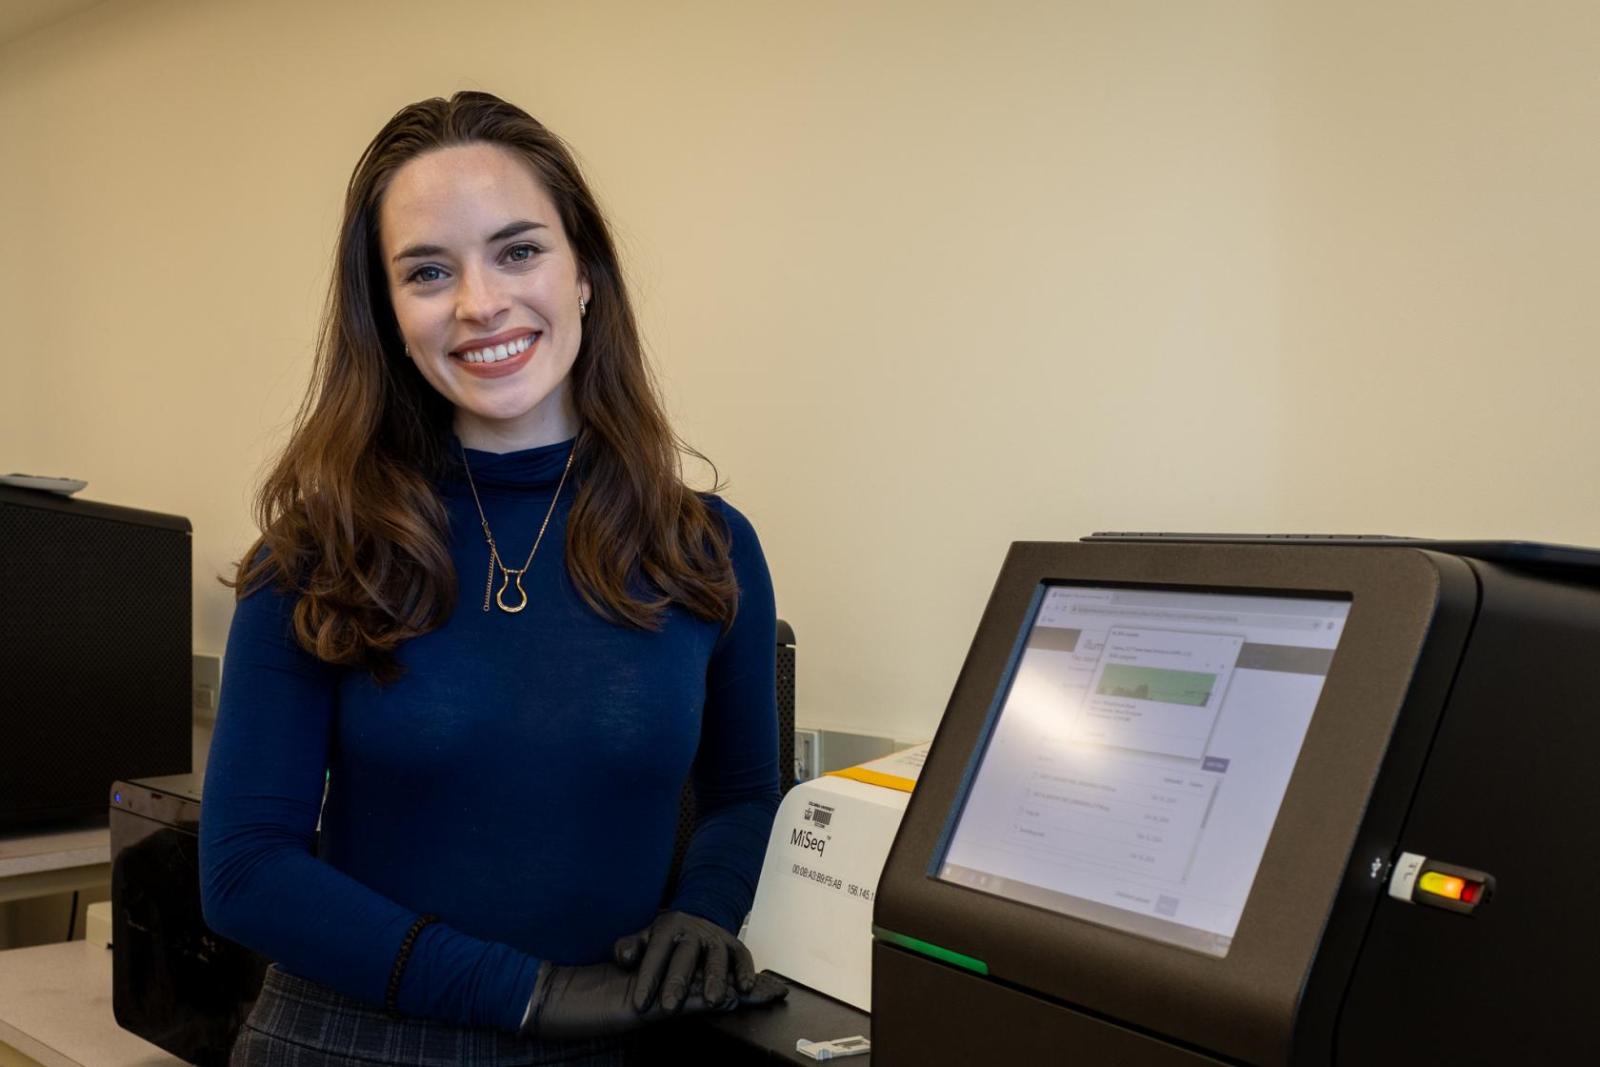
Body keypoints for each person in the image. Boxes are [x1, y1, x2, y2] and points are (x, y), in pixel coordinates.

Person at [199, 91, 787, 1067]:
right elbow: (246, 870)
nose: (479, 302)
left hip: (612, 1029)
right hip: (355, 1033)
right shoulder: (319, 550)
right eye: (429, 270)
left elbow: (741, 791)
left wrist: (704, 911)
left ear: (586, 271)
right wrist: (529, 990)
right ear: (387, 311)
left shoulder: (706, 546)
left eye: (518, 250)